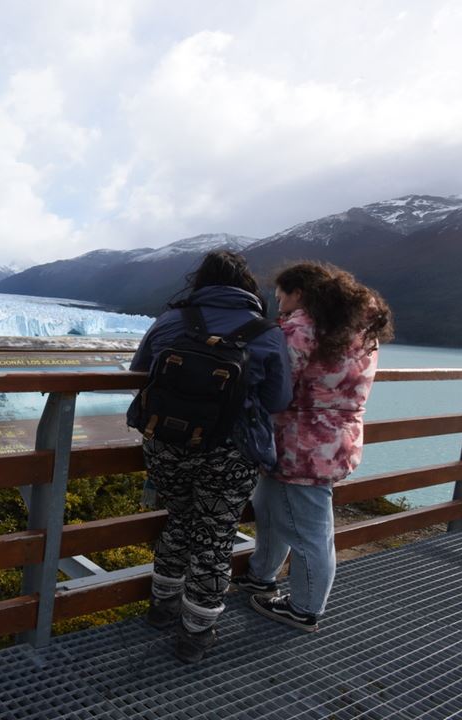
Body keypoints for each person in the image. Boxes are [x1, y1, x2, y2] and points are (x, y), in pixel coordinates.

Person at [129, 250, 292, 663]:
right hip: (230, 452)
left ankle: (161, 609)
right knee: (215, 537)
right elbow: (278, 398)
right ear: (247, 287)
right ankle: (195, 634)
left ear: (200, 281)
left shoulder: (171, 320)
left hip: (166, 442)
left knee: (179, 520)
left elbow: (138, 369)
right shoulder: (267, 333)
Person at [237, 262, 394, 632]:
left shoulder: (302, 328)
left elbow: (275, 380)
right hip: (333, 440)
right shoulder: (359, 330)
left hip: (301, 442)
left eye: (283, 299)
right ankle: (261, 576)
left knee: (310, 531)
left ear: (300, 293)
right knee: (270, 505)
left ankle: (305, 607)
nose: (281, 308)